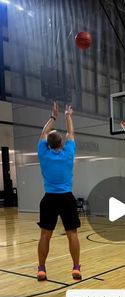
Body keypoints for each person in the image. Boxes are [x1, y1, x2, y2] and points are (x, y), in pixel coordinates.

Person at [37, 102, 81, 281]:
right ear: (62, 143)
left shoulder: (43, 153)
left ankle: (41, 269)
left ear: (47, 143)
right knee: (72, 233)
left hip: (49, 199)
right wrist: (67, 115)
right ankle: (76, 268)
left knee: (45, 234)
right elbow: (71, 133)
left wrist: (53, 117)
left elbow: (43, 132)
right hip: (66, 199)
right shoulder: (68, 152)